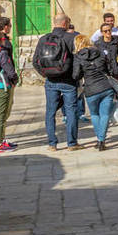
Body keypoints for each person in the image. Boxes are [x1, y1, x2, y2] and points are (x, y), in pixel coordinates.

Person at [36, 13, 83, 152]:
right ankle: (72, 143)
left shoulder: (43, 39)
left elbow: (35, 61)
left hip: (50, 80)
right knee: (71, 111)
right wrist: (76, 77)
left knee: (50, 112)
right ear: (65, 23)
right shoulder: (71, 38)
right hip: (68, 81)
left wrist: (45, 73)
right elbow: (78, 60)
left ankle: (52, 143)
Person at [72, 34, 118, 151]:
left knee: (94, 114)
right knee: (105, 114)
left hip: (91, 89)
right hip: (106, 87)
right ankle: (101, 140)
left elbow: (76, 75)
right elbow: (109, 69)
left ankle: (99, 139)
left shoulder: (78, 57)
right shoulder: (100, 53)